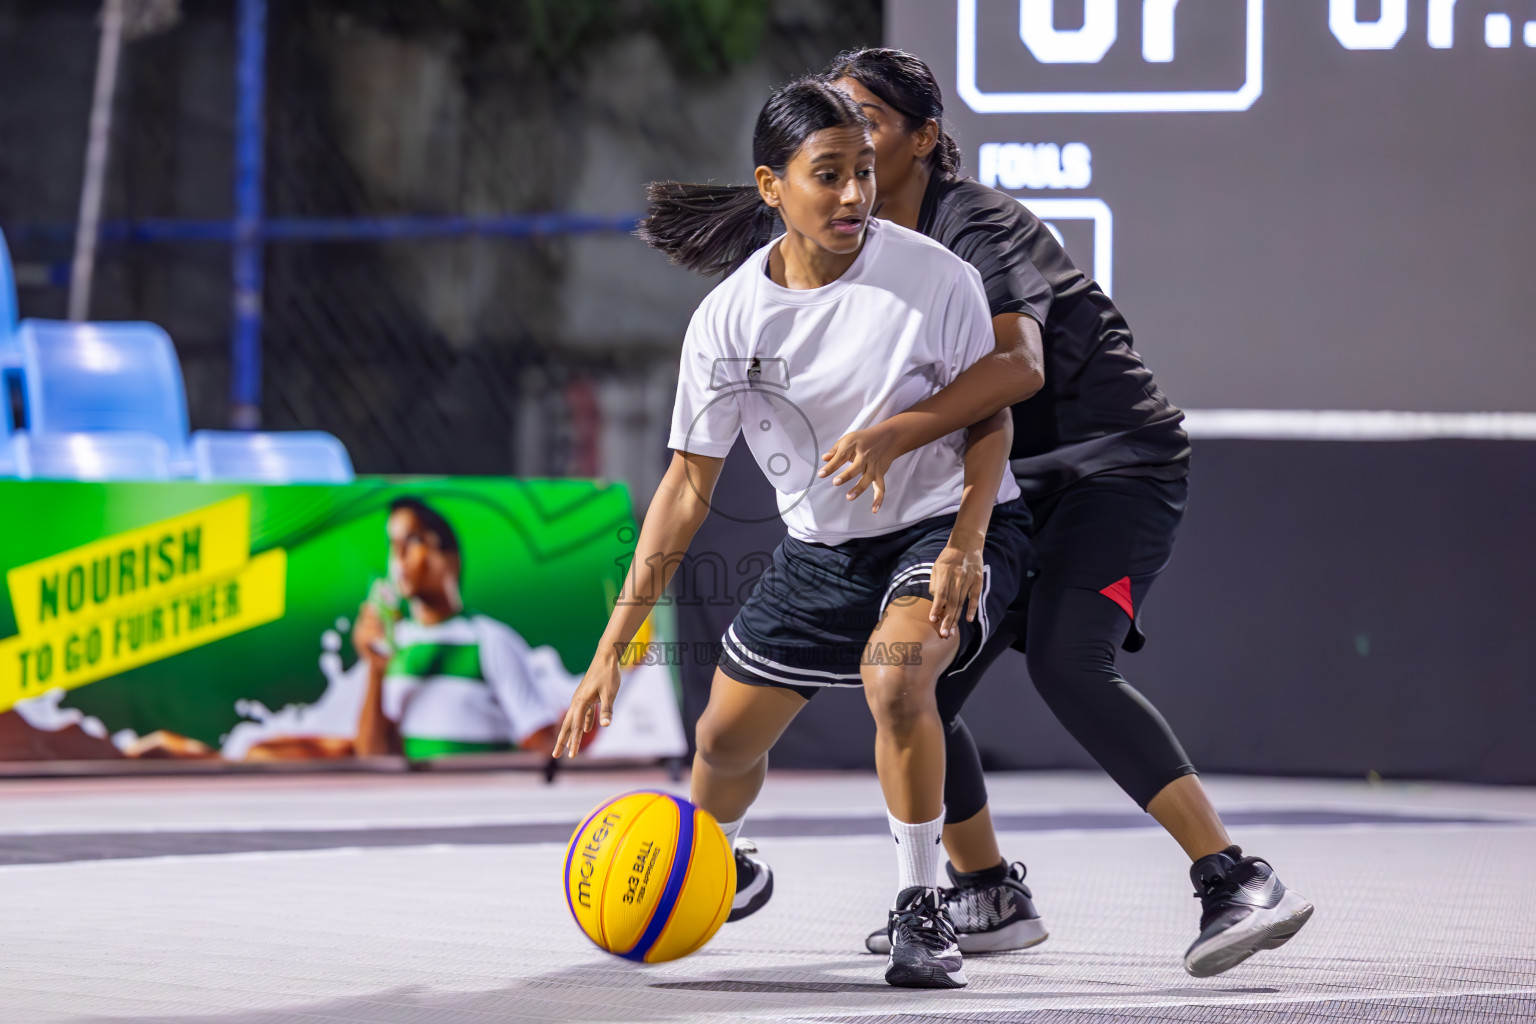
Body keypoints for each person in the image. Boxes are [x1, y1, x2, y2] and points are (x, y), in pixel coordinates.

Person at [779, 48, 1310, 978]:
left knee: (1069, 660)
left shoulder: (979, 223)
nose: (847, 135)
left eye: (866, 117)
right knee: (910, 685)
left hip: (1115, 470)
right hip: (1010, 485)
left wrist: (900, 438)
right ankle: (985, 892)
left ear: (925, 139)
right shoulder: (858, 244)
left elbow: (1017, 369)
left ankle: (1234, 875)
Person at [554, 79, 1038, 989]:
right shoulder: (729, 318)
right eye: (829, 176)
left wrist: (970, 540)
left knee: (895, 682)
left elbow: (994, 416)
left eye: (863, 172)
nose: (854, 195)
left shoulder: (936, 277)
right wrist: (612, 650)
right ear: (772, 186)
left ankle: (920, 908)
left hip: (943, 524)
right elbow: (685, 491)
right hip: (822, 551)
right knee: (722, 743)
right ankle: (720, 863)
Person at [353, 497, 572, 759]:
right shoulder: (393, 645)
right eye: (393, 545)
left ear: (448, 557)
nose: (399, 558)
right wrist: (375, 671)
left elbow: (542, 742)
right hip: (409, 797)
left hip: (480, 796)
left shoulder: (489, 640)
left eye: (413, 541)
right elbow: (370, 754)